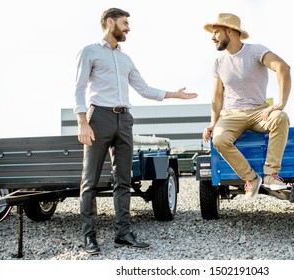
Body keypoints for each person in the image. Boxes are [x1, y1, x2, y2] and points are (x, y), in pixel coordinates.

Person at [74, 8, 198, 255]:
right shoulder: (89, 51)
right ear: (110, 23)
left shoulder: (125, 58)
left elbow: (143, 89)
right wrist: (82, 122)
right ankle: (89, 237)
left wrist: (174, 94)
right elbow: (78, 88)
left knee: (123, 179)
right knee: (89, 181)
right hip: (98, 117)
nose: (128, 28)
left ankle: (123, 233)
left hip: (125, 120)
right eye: (124, 23)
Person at [202, 13, 291, 203]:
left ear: (230, 31)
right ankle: (251, 179)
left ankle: (271, 175)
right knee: (218, 139)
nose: (212, 37)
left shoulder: (256, 51)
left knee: (280, 117)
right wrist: (213, 123)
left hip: (259, 111)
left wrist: (280, 103)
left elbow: (283, 67)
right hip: (232, 114)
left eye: (216, 32)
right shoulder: (219, 62)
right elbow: (217, 96)